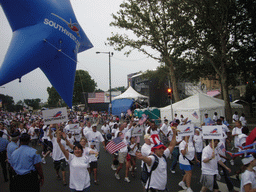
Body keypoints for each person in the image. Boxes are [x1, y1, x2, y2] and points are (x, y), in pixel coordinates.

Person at [136, 127, 177, 191]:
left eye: (162, 148)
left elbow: (171, 145)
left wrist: (174, 134)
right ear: (155, 150)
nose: (162, 150)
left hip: (163, 189)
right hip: (154, 189)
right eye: (159, 148)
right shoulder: (153, 158)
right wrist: (143, 157)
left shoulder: (163, 155)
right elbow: (149, 160)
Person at [56, 126, 91, 192]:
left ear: (82, 150)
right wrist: (59, 142)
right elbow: (63, 150)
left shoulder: (86, 158)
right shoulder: (71, 157)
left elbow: (88, 169)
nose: (77, 151)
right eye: (75, 149)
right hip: (74, 185)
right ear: (73, 150)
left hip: (85, 185)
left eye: (79, 149)